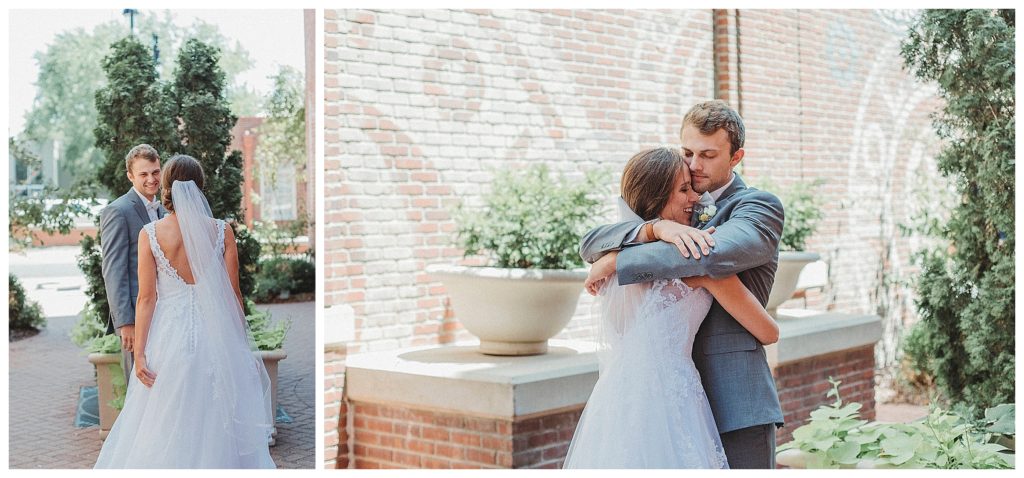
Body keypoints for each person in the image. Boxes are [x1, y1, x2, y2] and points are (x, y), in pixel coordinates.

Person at [576, 100, 785, 469]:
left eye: (708, 155)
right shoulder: (666, 207)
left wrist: (618, 261)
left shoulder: (758, 206)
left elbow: (709, 256)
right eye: (688, 152)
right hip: (658, 400)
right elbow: (590, 243)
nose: (694, 165)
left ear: (736, 157)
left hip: (735, 398)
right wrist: (655, 228)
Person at [95, 154, 275, 469]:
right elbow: (234, 294)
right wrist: (239, 345)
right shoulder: (222, 231)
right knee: (215, 416)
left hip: (167, 338)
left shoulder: (150, 234)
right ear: (200, 187)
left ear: (166, 187)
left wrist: (140, 354)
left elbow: (146, 299)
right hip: (214, 336)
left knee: (162, 419)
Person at [101, 144, 167, 385]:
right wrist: (125, 323)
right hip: (136, 316)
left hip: (166, 310)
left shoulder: (164, 210)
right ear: (130, 176)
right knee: (140, 383)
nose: (151, 179)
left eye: (155, 172)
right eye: (143, 174)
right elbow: (113, 271)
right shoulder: (117, 211)